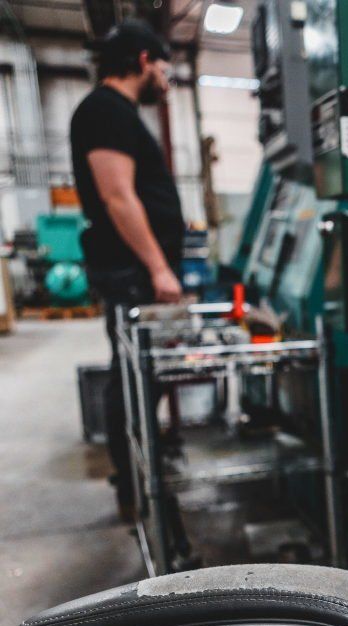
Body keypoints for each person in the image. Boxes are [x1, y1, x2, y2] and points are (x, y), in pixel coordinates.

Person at [70, 20, 184, 521]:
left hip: (132, 269)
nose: (166, 77)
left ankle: (143, 472)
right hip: (131, 272)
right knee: (133, 377)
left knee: (142, 376)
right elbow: (118, 196)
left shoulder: (114, 112)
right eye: (163, 66)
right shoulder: (106, 110)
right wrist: (159, 268)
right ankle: (134, 484)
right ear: (143, 60)